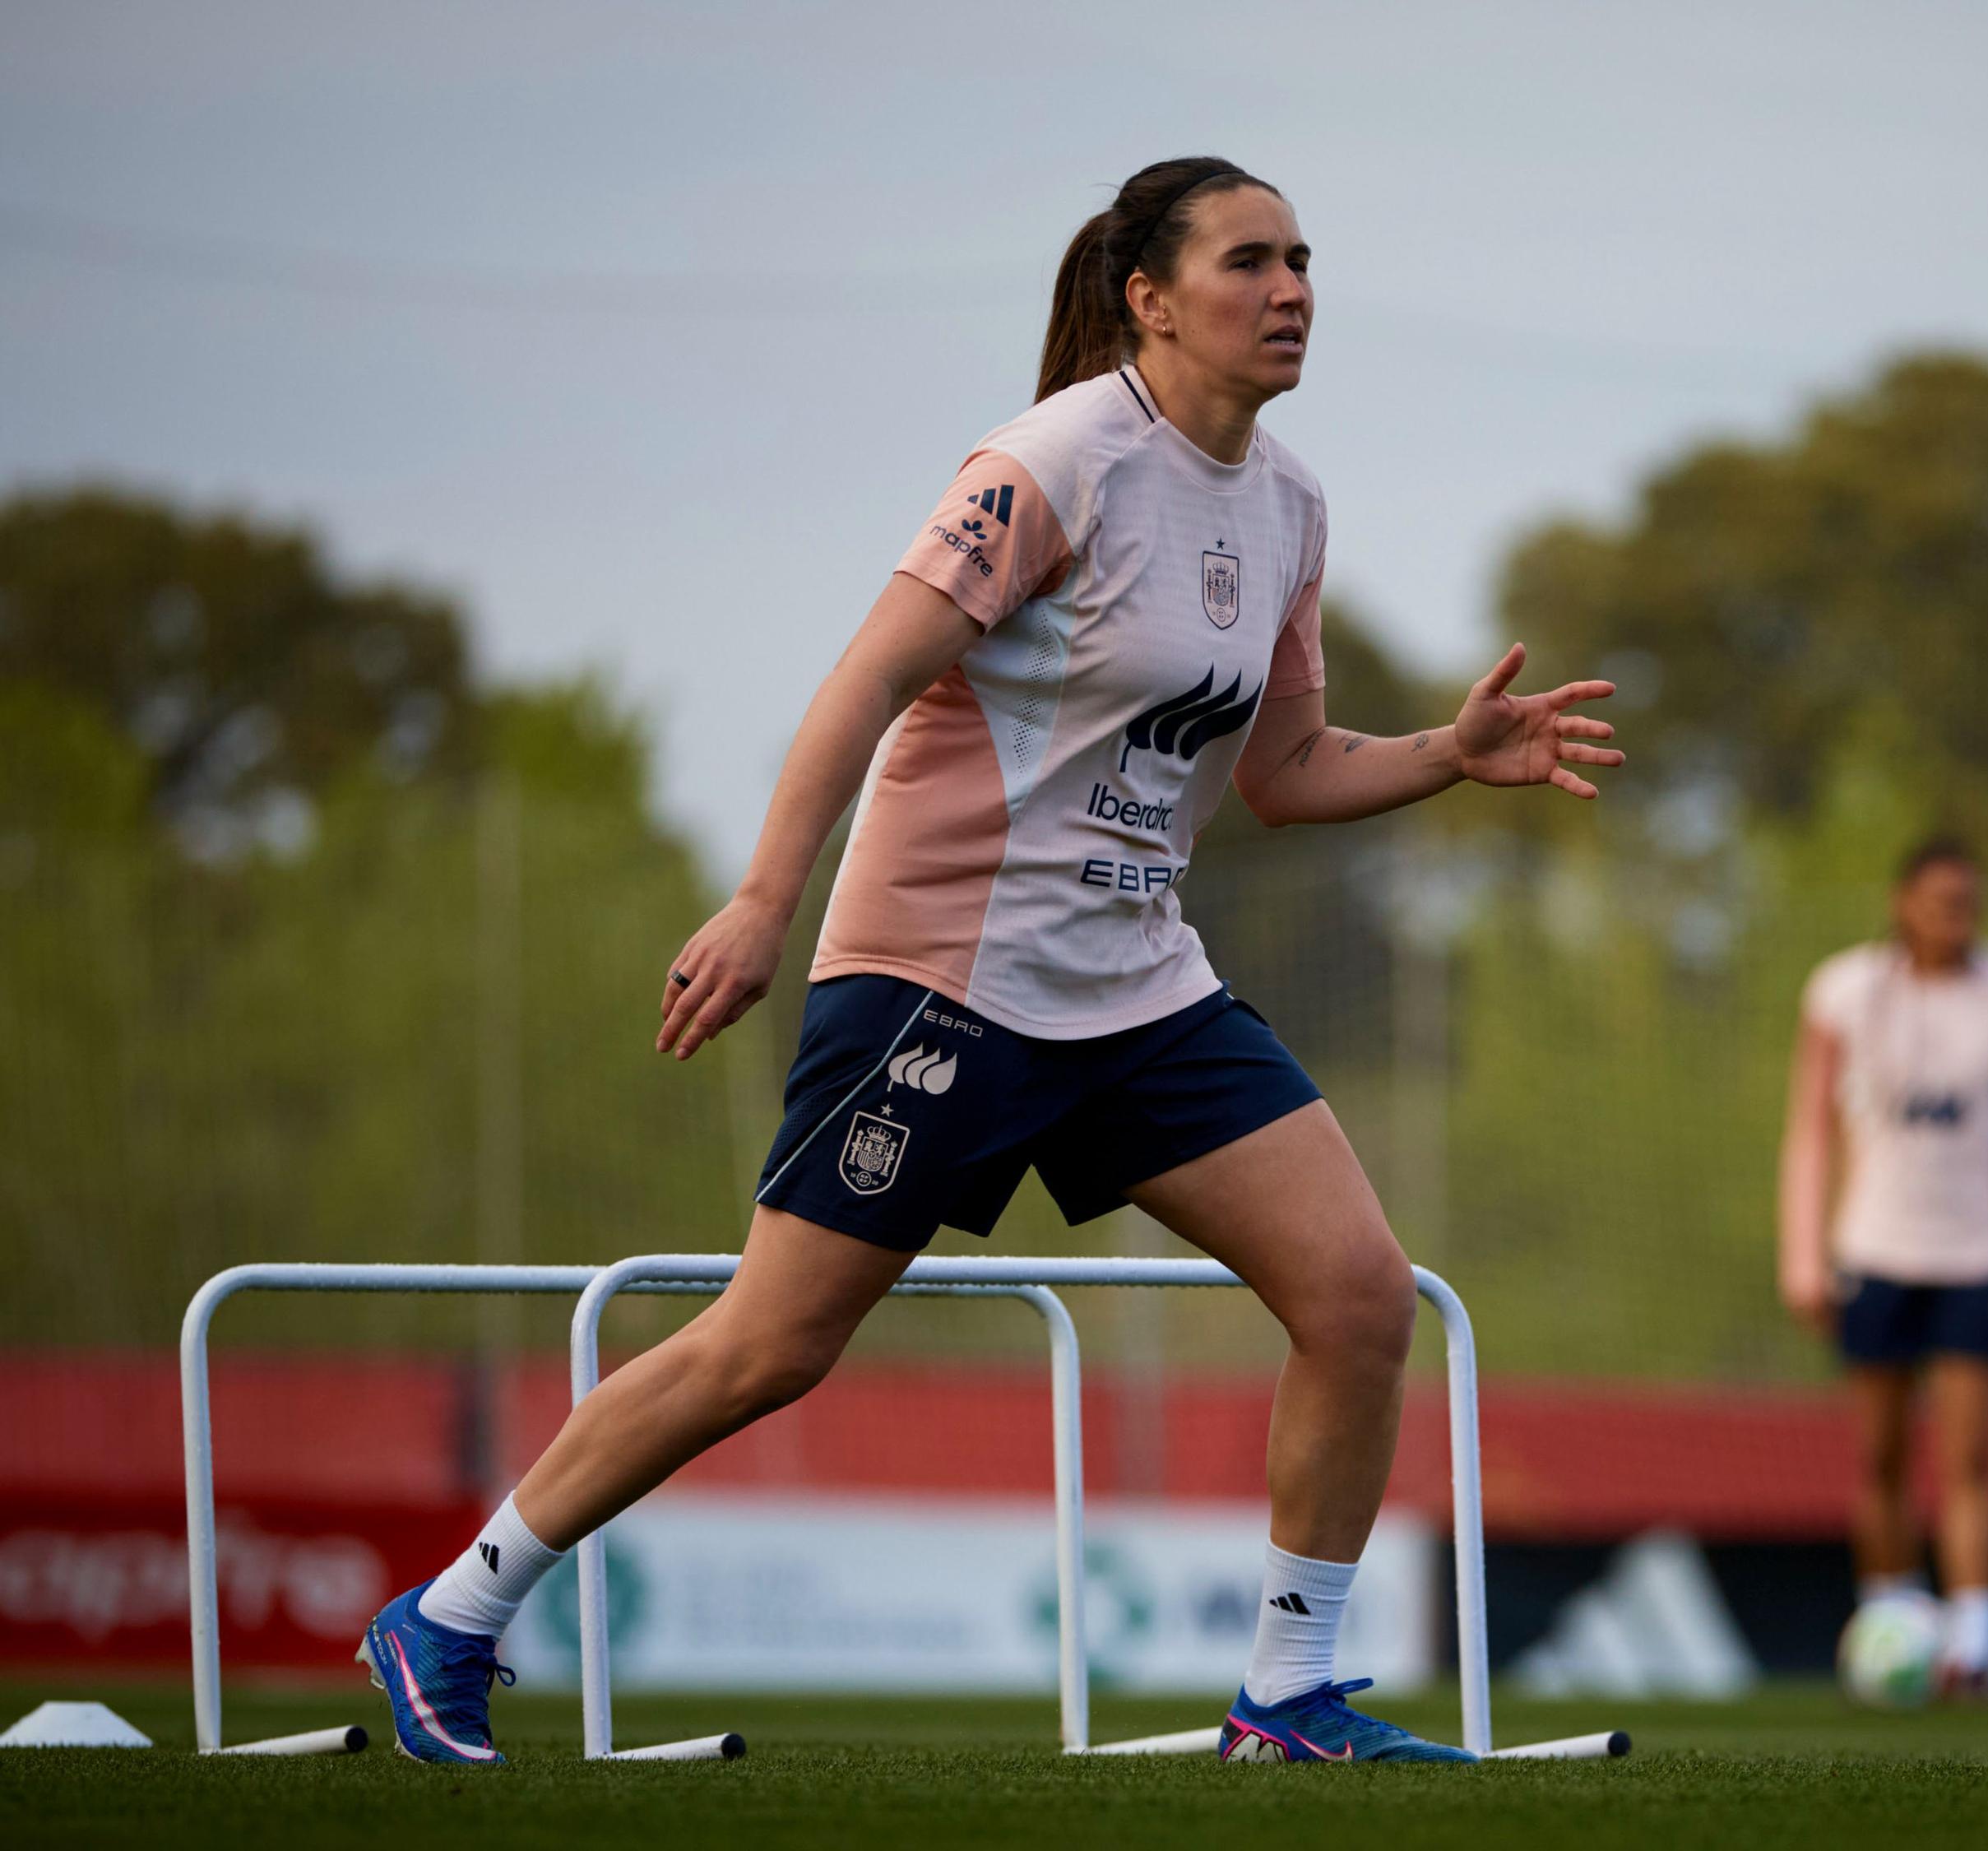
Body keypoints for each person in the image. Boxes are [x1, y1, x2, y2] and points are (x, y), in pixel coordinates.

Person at [354, 156, 1625, 1766]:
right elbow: (864, 679)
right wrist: (761, 900)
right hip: (939, 982)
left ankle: (1285, 1703)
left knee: (1362, 1297)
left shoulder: (1291, 506)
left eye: (1304, 260)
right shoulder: (1051, 462)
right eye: (1249, 261)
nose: (1291, 288)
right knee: (771, 1345)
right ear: (1149, 299)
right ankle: (447, 1617)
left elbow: (1286, 776)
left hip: (1139, 992)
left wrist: (1448, 753)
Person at [1779, 837, 1988, 1699]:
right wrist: (1804, 1255)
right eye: (1938, 899)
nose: (1955, 915)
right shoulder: (1842, 992)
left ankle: (1974, 1648)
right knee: (1878, 1458)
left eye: (1968, 901)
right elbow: (1808, 1130)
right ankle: (1891, 1627)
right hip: (1873, 1250)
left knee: (1970, 1461)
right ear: (1902, 900)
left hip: (1978, 1256)